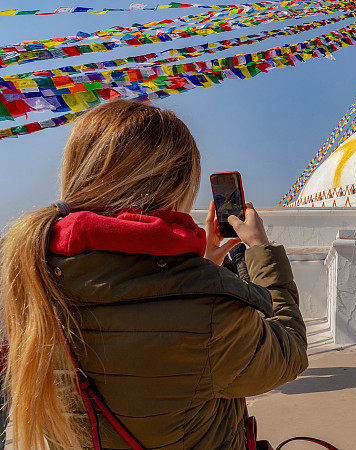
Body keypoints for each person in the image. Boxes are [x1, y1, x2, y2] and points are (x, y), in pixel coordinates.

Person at [0, 100, 308, 449]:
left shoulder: (29, 275)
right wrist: (258, 251)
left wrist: (198, 269)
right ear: (176, 188)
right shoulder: (210, 307)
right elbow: (290, 351)